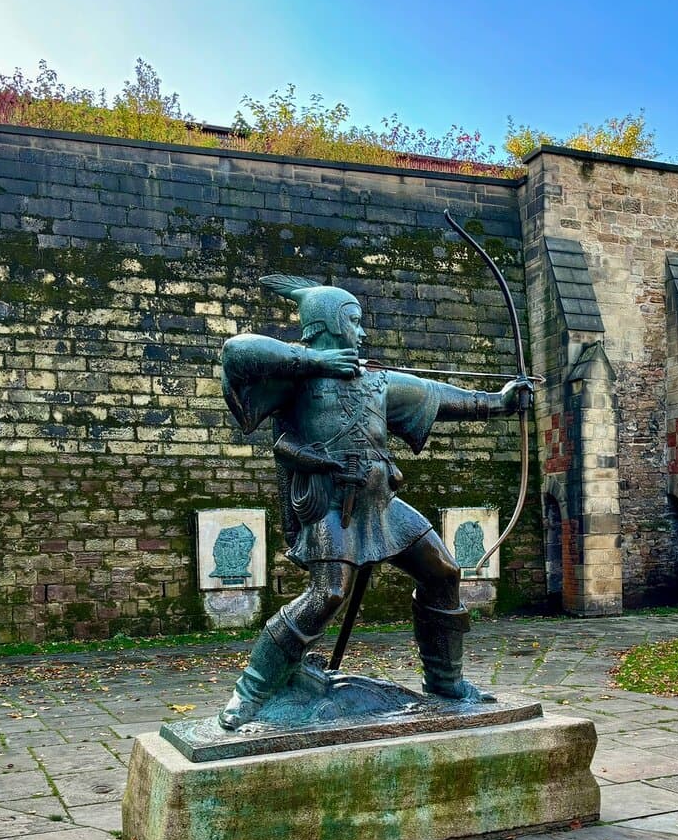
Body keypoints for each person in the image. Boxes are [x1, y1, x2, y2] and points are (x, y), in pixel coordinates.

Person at [218, 274, 532, 729]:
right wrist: (316, 361)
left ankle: (445, 682)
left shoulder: (376, 381)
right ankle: (249, 693)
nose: (362, 332)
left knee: (443, 572)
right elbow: (236, 351)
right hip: (333, 508)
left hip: (382, 505)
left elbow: (438, 396)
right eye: (353, 321)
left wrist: (499, 403)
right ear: (327, 325)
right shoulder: (295, 378)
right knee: (327, 594)